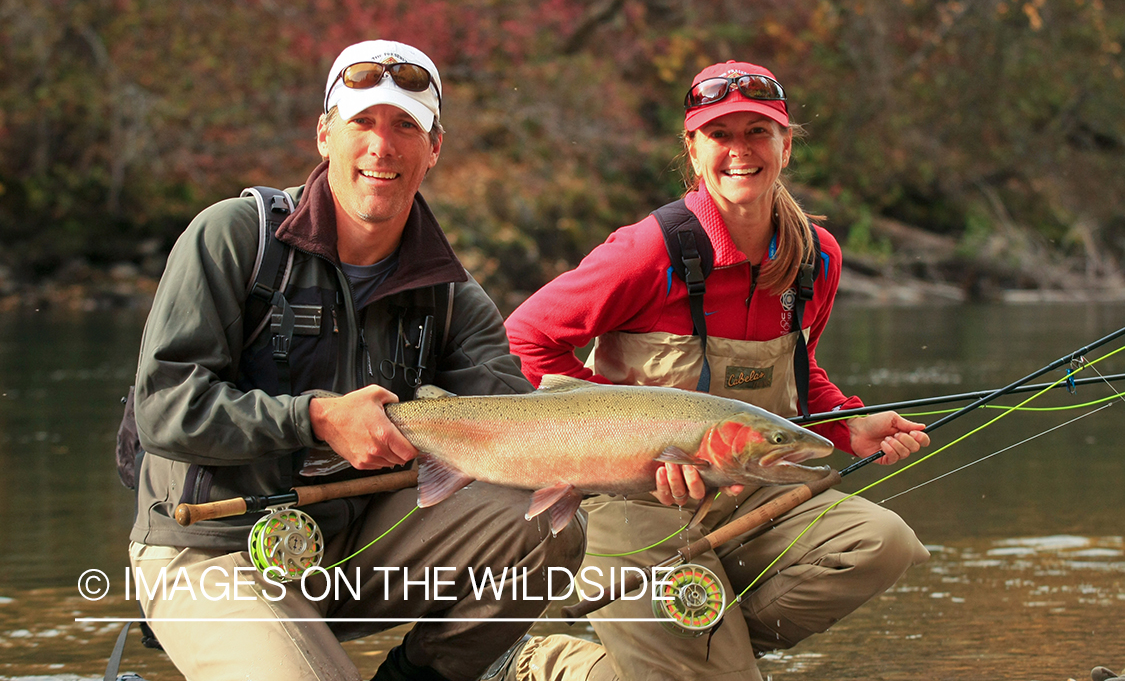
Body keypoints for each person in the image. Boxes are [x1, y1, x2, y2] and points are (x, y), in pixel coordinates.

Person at [127, 39, 585, 681]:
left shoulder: (454, 299)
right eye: (362, 122)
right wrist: (314, 417)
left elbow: (518, 439)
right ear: (324, 135)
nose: (382, 146)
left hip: (356, 551)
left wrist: (637, 461)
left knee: (546, 528)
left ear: (434, 150)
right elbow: (162, 410)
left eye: (406, 126)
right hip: (212, 550)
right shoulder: (234, 237)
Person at [501, 60, 932, 681]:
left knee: (879, 543)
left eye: (757, 131)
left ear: (786, 144)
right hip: (631, 500)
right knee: (709, 666)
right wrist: (625, 428)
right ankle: (546, 660)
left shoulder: (817, 257)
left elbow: (799, 368)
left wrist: (844, 425)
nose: (740, 151)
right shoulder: (648, 250)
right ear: (693, 149)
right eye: (719, 134)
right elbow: (524, 341)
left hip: (751, 489)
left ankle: (699, 647)